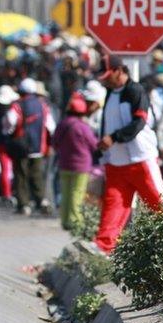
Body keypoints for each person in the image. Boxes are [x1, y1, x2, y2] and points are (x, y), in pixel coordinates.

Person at [93, 54, 163, 254]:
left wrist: (114, 137)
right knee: (113, 207)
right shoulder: (110, 93)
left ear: (119, 71)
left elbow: (139, 122)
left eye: (109, 75)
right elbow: (106, 122)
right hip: (116, 162)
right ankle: (103, 249)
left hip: (139, 158)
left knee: (159, 203)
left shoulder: (135, 91)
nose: (105, 80)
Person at [3, 78, 56, 216]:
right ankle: (42, 201)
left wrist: (8, 133)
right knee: (37, 175)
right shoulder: (43, 106)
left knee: (21, 175)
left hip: (21, 147)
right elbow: (51, 126)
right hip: (38, 147)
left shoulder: (17, 105)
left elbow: (9, 121)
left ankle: (24, 205)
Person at [52, 92, 98, 230]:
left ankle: (65, 220)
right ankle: (75, 221)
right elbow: (94, 144)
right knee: (77, 193)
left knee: (65, 193)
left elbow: (54, 142)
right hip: (81, 166)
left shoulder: (62, 124)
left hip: (64, 164)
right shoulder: (83, 127)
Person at [0, 85, 19, 206]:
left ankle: (6, 194)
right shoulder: (15, 108)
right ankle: (14, 192)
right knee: (15, 169)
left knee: (5, 170)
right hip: (13, 143)